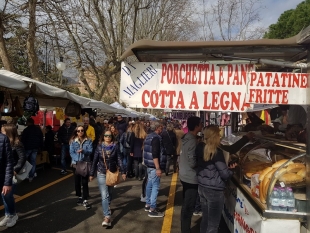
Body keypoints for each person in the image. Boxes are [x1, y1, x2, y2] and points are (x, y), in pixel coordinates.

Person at [196, 126, 237, 233]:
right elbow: (224, 174)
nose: (220, 137)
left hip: (202, 187)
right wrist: (232, 170)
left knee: (205, 219)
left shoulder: (200, 147)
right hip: (214, 190)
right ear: (214, 137)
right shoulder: (216, 152)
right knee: (213, 225)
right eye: (218, 135)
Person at [89, 130, 126, 227]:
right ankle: (107, 217)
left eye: (109, 136)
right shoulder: (99, 147)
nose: (108, 137)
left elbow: (119, 159)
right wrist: (92, 173)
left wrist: (123, 171)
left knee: (110, 192)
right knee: (104, 195)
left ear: (112, 137)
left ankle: (108, 206)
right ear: (103, 137)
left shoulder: (115, 146)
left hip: (112, 173)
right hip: (101, 172)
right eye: (106, 136)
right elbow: (94, 161)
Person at [179, 116, 202, 233]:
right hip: (190, 177)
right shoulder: (192, 141)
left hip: (184, 175)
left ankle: (184, 228)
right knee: (188, 207)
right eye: (200, 123)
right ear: (197, 126)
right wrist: (201, 164)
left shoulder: (187, 138)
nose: (202, 125)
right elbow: (192, 161)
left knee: (186, 205)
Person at [143, 121, 166, 217]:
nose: (162, 129)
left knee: (149, 185)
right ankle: (152, 209)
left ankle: (148, 204)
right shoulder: (156, 138)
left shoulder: (148, 136)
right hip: (154, 165)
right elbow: (155, 153)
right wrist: (158, 168)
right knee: (155, 187)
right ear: (157, 128)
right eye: (161, 128)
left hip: (148, 164)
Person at [0, 124, 20, 227]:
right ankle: (8, 215)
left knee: (7, 196)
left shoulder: (16, 143)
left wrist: (15, 169)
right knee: (4, 197)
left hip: (8, 174)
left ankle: (12, 214)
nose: (2, 132)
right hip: (5, 174)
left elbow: (21, 158)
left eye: (3, 131)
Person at [69, 125, 93, 209]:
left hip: (85, 163)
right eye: (78, 131)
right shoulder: (73, 141)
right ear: (76, 132)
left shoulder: (88, 140)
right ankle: (79, 196)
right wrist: (77, 159)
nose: (80, 132)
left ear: (84, 131)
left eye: (82, 130)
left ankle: (85, 198)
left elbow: (90, 151)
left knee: (85, 182)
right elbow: (71, 152)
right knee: (77, 182)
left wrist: (84, 151)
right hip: (75, 164)